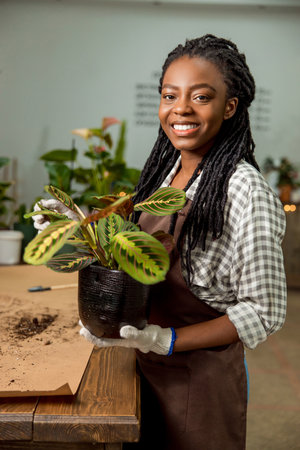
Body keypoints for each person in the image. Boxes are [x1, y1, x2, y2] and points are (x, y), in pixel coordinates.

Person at [34, 35, 287, 450]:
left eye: (201, 96)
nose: (181, 109)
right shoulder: (167, 173)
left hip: (199, 380)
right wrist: (73, 221)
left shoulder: (245, 191)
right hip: (144, 366)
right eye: (170, 95)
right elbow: (132, 245)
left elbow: (265, 312)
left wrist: (165, 340)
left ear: (230, 107)